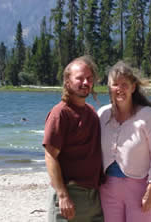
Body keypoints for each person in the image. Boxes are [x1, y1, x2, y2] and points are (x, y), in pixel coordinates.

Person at [97, 61, 151, 222]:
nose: (119, 89)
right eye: (115, 84)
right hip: (108, 189)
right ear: (109, 87)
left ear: (133, 87)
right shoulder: (102, 115)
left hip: (140, 188)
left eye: (124, 84)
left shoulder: (148, 116)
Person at [43, 56, 104, 222]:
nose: (85, 82)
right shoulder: (60, 113)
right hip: (69, 195)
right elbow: (50, 155)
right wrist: (62, 195)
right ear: (67, 82)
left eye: (89, 78)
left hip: (93, 197)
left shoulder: (92, 113)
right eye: (80, 78)